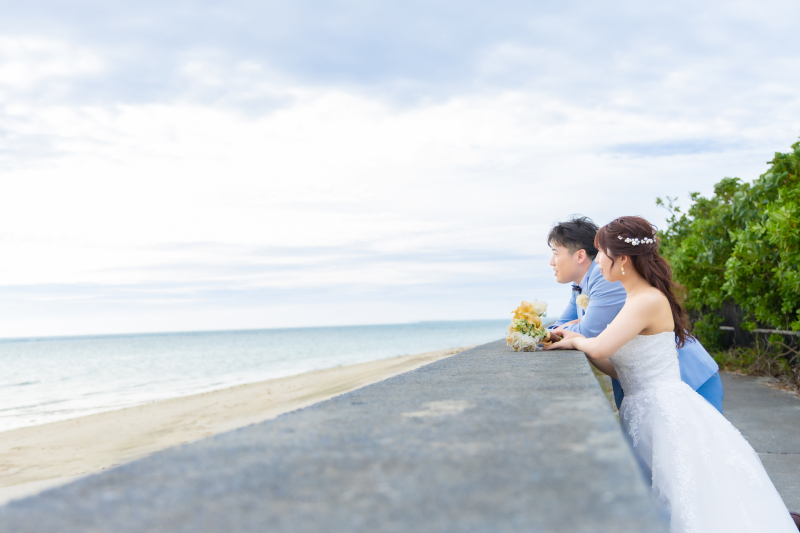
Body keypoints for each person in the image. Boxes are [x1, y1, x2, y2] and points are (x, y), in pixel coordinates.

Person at [545, 216, 797, 532]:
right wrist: (577, 343)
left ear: (622, 259)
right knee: (669, 499)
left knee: (688, 499)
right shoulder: (635, 298)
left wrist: (575, 340)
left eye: (603, 255)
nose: (599, 264)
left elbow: (598, 346)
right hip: (644, 411)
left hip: (664, 413)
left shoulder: (647, 300)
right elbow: (618, 365)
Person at [544, 216, 723, 413]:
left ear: (622, 259)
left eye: (602, 252)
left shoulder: (612, 282)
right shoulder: (590, 286)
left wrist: (575, 336)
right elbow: (566, 329)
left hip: (688, 378)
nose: (598, 259)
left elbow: (589, 333)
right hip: (643, 389)